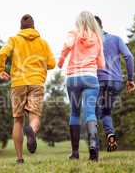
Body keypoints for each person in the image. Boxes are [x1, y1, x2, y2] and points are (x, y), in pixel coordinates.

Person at [0, 14, 56, 164]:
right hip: (36, 82)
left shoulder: (14, 40)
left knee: (18, 120)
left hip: (18, 83)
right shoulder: (43, 43)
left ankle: (19, 158)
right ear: (34, 27)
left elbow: (1, 53)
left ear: (21, 27)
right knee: (34, 116)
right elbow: (52, 64)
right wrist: (40, 65)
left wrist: (1, 69)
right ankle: (32, 131)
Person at [58, 11, 105, 161]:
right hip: (90, 78)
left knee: (75, 113)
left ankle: (75, 153)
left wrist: (61, 60)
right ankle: (93, 148)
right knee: (90, 112)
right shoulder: (98, 37)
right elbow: (102, 63)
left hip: (73, 78)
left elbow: (67, 45)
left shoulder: (74, 32)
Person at [94, 16, 135, 152]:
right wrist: (130, 79)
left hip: (98, 81)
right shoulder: (116, 39)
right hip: (116, 82)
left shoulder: (90, 42)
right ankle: (110, 135)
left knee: (93, 113)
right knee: (106, 111)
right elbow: (129, 57)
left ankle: (94, 145)